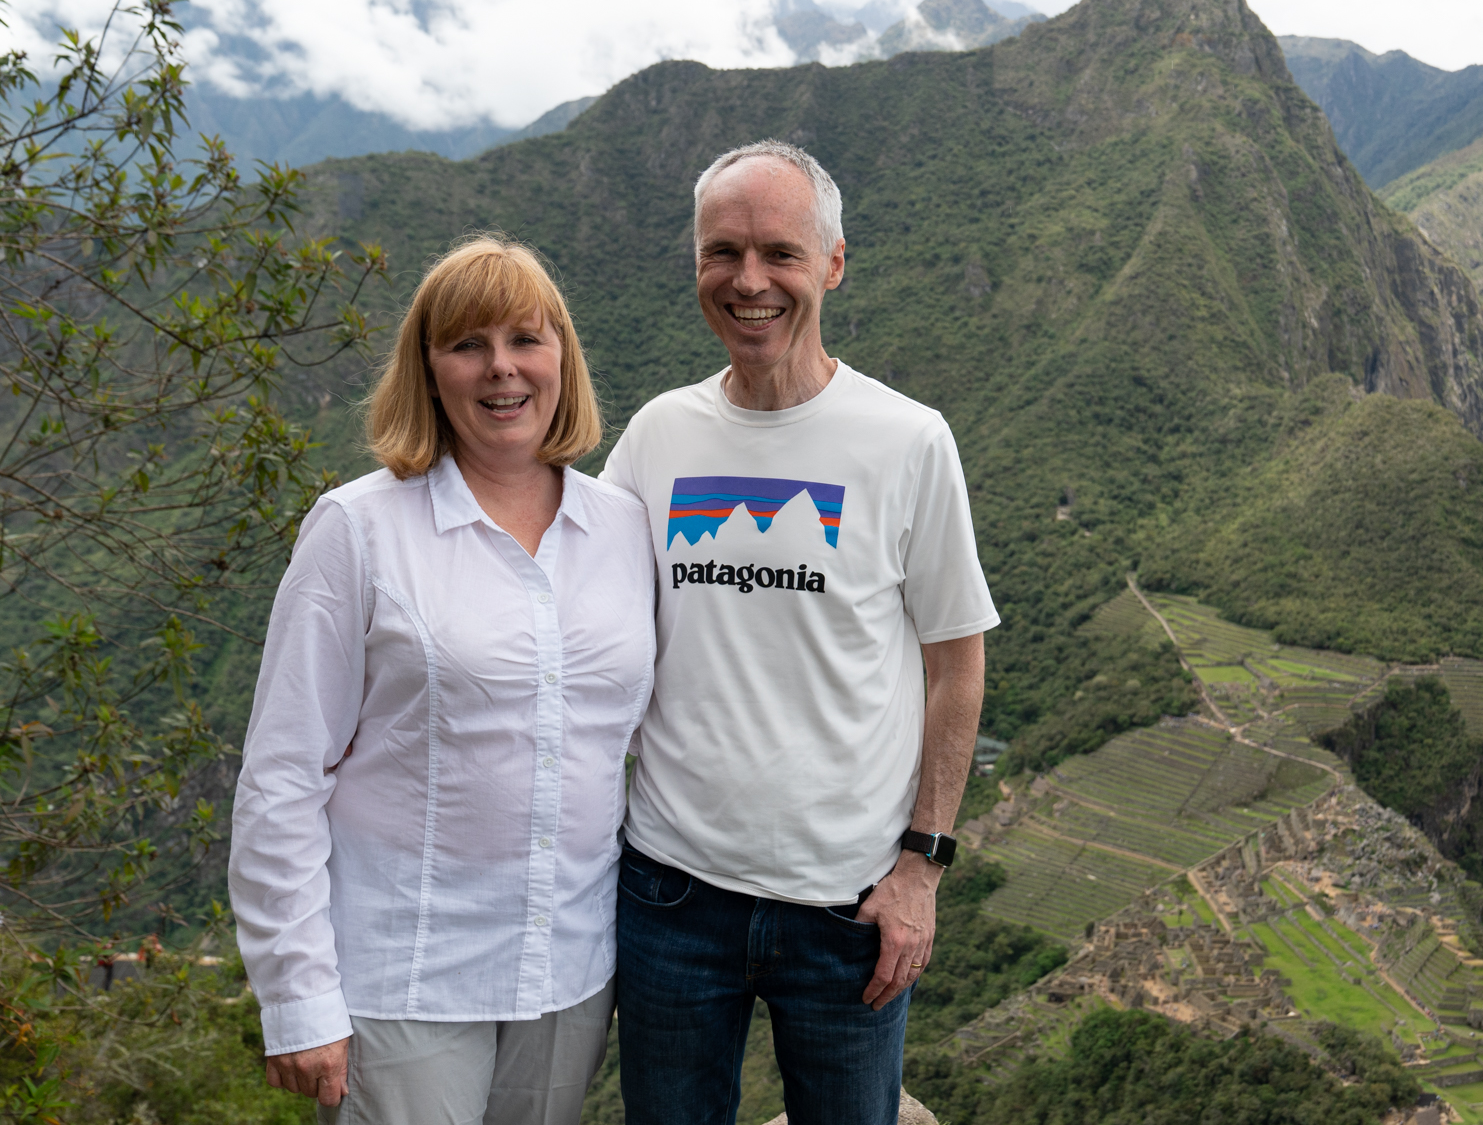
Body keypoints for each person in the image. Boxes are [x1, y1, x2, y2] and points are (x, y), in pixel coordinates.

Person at [602, 140, 999, 1125]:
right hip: (670, 897)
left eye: (779, 253)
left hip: (848, 908)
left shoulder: (907, 441)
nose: (749, 281)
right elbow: (577, 619)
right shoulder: (657, 437)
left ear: (832, 263)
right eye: (722, 253)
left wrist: (922, 869)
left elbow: (956, 665)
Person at [229, 236, 655, 1124]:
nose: (502, 370)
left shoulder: (622, 527)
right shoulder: (358, 530)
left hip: (569, 973)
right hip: (405, 975)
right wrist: (296, 994)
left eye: (525, 341)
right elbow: (281, 774)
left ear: (563, 358)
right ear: (429, 371)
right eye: (468, 346)